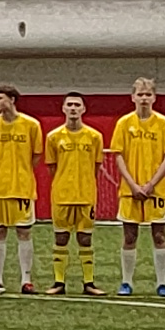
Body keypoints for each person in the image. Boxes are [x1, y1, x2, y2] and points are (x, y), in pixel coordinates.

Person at [110, 78, 165, 298]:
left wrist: (151, 184)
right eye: (140, 94)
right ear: (132, 97)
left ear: (154, 97)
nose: (144, 98)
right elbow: (118, 156)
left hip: (157, 190)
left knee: (159, 235)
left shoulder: (164, 124)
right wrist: (132, 184)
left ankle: (162, 283)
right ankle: (126, 282)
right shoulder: (124, 123)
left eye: (148, 94)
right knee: (129, 235)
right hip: (129, 190)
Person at [0, 87, 43, 295]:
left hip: (22, 188)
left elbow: (36, 155)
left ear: (12, 99)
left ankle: (26, 280)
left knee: (24, 232)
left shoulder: (31, 125)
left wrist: (21, 172)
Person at [43, 94, 106, 296]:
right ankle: (59, 282)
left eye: (77, 105)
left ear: (83, 109)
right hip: (61, 195)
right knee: (61, 237)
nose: (73, 108)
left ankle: (89, 283)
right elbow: (52, 167)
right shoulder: (53, 137)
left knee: (85, 239)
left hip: (86, 195)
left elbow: (96, 166)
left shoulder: (94, 137)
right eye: (69, 104)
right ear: (63, 108)